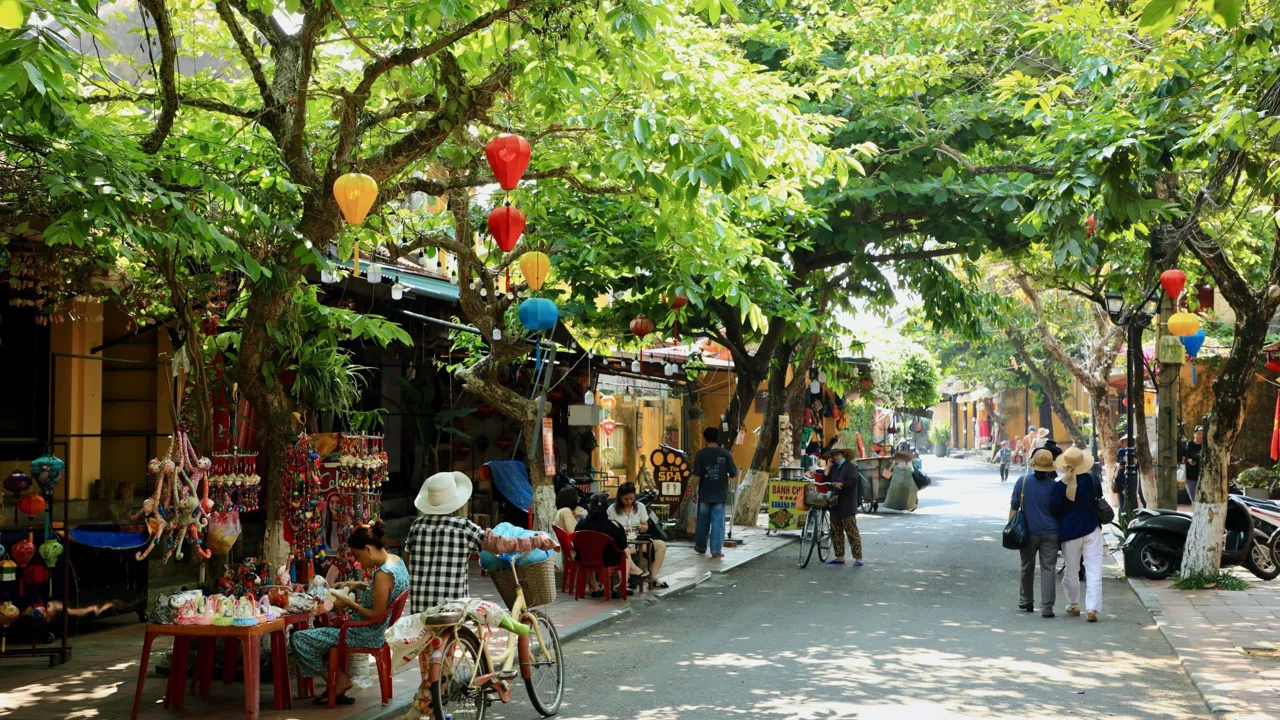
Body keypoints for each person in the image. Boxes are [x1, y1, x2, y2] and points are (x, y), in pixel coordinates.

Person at [290, 519, 410, 704]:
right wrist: (358, 584)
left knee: (300, 639)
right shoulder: (396, 562)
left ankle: (339, 681)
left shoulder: (382, 575)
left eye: (358, 555)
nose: (358, 561)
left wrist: (348, 602)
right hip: (373, 631)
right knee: (318, 637)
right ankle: (338, 680)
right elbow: (383, 594)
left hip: (363, 633)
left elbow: (377, 615)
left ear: (368, 549)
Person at [403, 471, 486, 614]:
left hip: (420, 608)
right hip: (452, 608)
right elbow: (487, 543)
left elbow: (408, 556)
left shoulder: (416, 526)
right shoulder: (464, 527)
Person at [1011, 449, 1064, 618]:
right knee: (1048, 569)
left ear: (1033, 465)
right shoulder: (1055, 486)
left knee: (1027, 566)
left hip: (1028, 532)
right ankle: (1047, 608)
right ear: (1049, 468)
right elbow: (1060, 512)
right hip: (1051, 533)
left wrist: (1011, 528)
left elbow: (1014, 507)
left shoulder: (1023, 481)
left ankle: (1026, 600)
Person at [1053, 447, 1104, 622]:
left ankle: (1074, 604)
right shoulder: (1092, 481)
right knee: (1094, 570)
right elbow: (1099, 496)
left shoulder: (1060, 486)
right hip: (1092, 530)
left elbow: (1054, 509)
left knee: (1071, 570)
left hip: (1069, 533)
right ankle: (1092, 608)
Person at [576, 492, 648, 591]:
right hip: (607, 560)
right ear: (606, 507)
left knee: (588, 551)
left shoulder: (580, 525)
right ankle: (624, 582)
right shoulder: (612, 526)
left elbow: (575, 543)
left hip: (584, 559)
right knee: (624, 552)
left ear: (590, 506)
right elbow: (622, 545)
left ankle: (595, 587)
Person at [608, 482, 668, 589]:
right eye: (626, 499)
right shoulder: (612, 510)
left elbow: (645, 526)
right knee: (624, 551)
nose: (629, 501)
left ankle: (652, 576)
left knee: (661, 545)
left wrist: (642, 527)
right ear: (620, 497)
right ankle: (630, 577)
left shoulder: (640, 507)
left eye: (631, 498)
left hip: (636, 542)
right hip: (621, 545)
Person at [692, 427, 738, 558]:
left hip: (705, 494)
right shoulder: (725, 454)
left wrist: (693, 491)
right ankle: (716, 550)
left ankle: (700, 546)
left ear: (705, 438)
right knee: (718, 522)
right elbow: (733, 474)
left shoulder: (700, 454)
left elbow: (696, 475)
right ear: (717, 438)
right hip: (720, 494)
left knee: (702, 522)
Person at [823, 447, 864, 566]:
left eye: (837, 455)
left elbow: (853, 481)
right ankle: (839, 556)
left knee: (851, 531)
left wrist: (842, 484)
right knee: (836, 531)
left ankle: (858, 558)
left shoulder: (851, 466)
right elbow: (825, 480)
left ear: (843, 455)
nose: (835, 457)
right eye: (833, 455)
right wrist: (828, 467)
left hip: (847, 503)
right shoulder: (834, 467)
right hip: (834, 503)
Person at [1184, 426, 1204, 505]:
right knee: (1194, 500)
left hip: (1203, 477)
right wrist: (1188, 461)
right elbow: (1182, 458)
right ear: (1194, 434)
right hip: (1191, 477)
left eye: (1202, 434)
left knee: (1202, 500)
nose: (1200, 436)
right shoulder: (1188, 445)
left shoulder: (1206, 447)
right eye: (1198, 434)